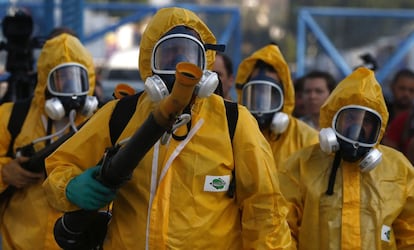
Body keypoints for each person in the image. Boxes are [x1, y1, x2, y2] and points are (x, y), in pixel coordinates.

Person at [43, 7, 293, 249]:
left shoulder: (234, 122)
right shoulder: (119, 115)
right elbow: (59, 166)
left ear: (204, 63)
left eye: (189, 57)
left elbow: (264, 210)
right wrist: (71, 187)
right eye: (169, 57)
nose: (179, 67)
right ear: (149, 62)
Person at [278, 67, 414, 249]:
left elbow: (410, 233)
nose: (357, 126)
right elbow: (281, 228)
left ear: (378, 128)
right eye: (350, 117)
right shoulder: (301, 165)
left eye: (366, 121)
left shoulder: (398, 168)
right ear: (333, 119)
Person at [0, 33, 98, 249]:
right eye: (61, 79)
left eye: (76, 79)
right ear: (45, 80)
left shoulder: (101, 124)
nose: (70, 88)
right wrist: (5, 172)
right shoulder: (12, 118)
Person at [235, 44, 319, 169]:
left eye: (270, 94)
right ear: (244, 95)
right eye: (255, 93)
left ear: (285, 95)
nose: (262, 102)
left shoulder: (307, 139)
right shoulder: (234, 134)